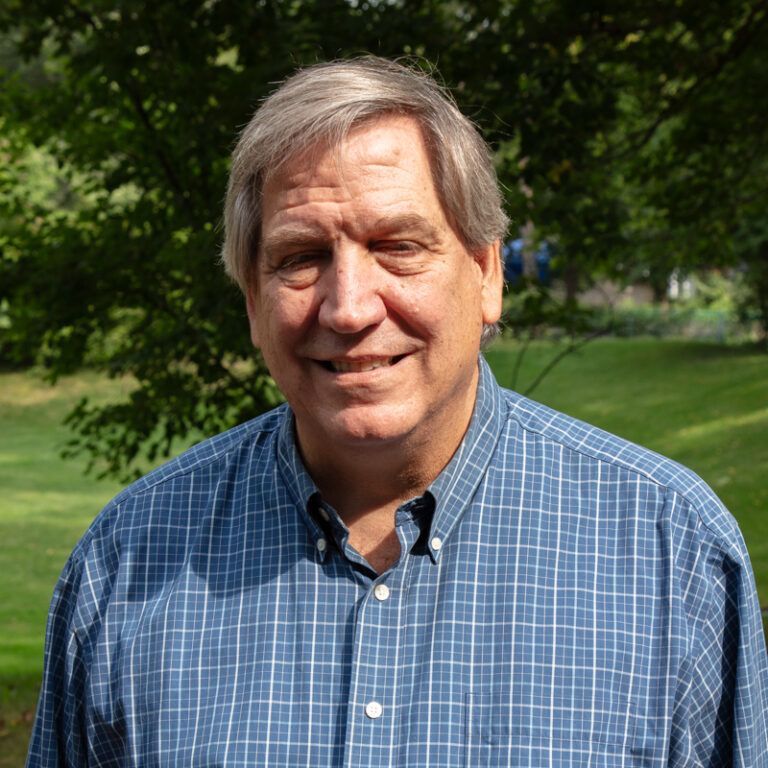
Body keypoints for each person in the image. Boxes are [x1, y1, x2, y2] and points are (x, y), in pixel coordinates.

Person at [28, 56, 767, 767]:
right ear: (253, 302)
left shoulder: (674, 557)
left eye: (398, 246)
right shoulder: (126, 563)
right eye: (300, 256)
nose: (349, 307)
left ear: (486, 274)